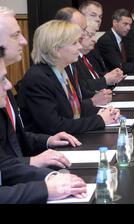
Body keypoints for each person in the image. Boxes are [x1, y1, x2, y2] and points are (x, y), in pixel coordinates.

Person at [0, 45, 87, 203]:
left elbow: (4, 163)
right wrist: (46, 189)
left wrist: (51, 177)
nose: (9, 86)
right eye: (2, 79)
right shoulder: (37, 76)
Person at [0, 6, 81, 169]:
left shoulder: (5, 82)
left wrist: (48, 140)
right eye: (16, 35)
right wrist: (32, 163)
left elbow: (17, 137)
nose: (24, 41)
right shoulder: (36, 77)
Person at [18, 20, 120, 135]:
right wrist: (100, 120)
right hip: (49, 149)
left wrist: (104, 112)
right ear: (56, 48)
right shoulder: (37, 78)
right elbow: (54, 126)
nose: (80, 47)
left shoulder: (64, 71)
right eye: (74, 43)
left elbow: (74, 109)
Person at [55, 7, 112, 106]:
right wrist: (93, 102)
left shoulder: (71, 60)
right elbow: (65, 113)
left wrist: (99, 96)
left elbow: (81, 92)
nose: (83, 34)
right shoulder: (48, 72)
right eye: (82, 29)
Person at [97, 8, 134, 74]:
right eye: (125, 24)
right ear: (115, 23)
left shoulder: (125, 38)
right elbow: (120, 66)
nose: (128, 28)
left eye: (130, 25)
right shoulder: (106, 41)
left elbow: (132, 58)